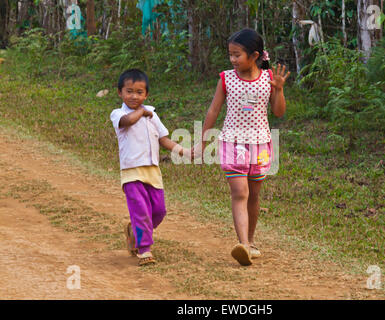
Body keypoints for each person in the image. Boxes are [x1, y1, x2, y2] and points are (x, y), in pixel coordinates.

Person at [197, 28, 290, 266]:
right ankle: (243, 246)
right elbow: (213, 110)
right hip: (232, 143)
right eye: (230, 55)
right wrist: (203, 140)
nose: (233, 60)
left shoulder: (268, 80)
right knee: (240, 193)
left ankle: (250, 240)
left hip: (260, 144)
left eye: (237, 54)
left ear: (255, 54)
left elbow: (278, 112)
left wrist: (278, 89)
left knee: (254, 196)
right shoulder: (226, 78)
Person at [110, 69, 189, 266]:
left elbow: (163, 139)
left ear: (146, 94)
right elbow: (127, 121)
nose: (134, 96)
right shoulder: (118, 114)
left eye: (139, 92)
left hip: (153, 171)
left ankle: (135, 232)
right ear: (120, 93)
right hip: (131, 172)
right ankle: (144, 249)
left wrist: (182, 151)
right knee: (140, 211)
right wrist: (141, 112)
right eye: (129, 91)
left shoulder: (152, 115)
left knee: (159, 211)